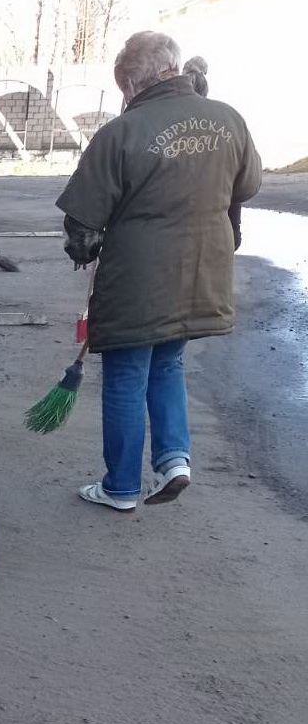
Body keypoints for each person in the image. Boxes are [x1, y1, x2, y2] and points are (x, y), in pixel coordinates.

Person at [56, 31, 262, 511]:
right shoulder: (229, 119)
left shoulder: (121, 133)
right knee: (167, 363)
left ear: (130, 84)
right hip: (203, 275)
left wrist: (85, 251)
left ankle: (121, 487)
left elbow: (82, 225)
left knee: (127, 377)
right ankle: (174, 460)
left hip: (139, 280)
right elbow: (247, 185)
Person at [183, 55, 243, 249]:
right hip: (217, 231)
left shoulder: (162, 124)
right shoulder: (227, 123)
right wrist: (235, 228)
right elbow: (241, 184)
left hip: (172, 235)